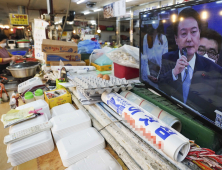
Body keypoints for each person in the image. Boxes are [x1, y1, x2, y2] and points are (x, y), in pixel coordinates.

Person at [158, 8, 222, 120]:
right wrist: (174, 72)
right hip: (171, 116)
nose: (189, 39)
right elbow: (160, 85)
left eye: (193, 32)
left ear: (199, 35)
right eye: (183, 33)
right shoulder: (167, 58)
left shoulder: (214, 69)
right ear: (176, 39)